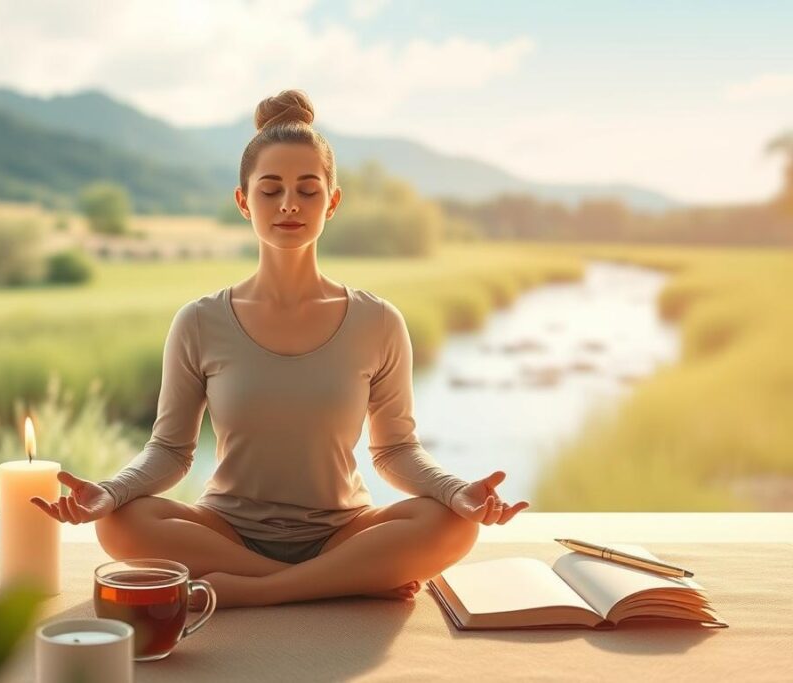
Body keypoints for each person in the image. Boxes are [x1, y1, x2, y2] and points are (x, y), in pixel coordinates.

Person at [32, 89, 529, 609]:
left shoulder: (379, 321)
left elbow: (395, 451)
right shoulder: (199, 321)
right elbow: (172, 452)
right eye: (270, 190)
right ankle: (342, 582)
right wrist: (111, 491)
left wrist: (455, 491)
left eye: (307, 190)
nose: (289, 203)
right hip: (226, 532)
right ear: (243, 201)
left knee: (451, 524)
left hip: (344, 529)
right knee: (123, 522)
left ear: (332, 202)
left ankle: (256, 591)